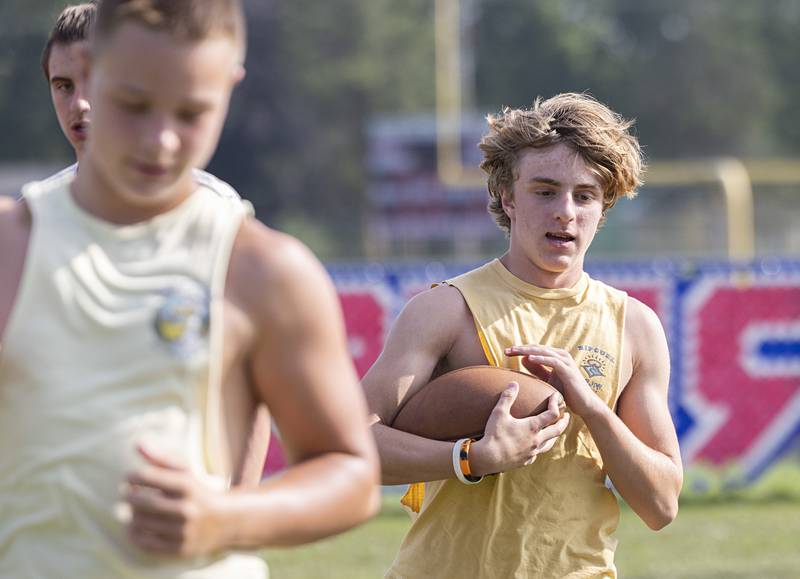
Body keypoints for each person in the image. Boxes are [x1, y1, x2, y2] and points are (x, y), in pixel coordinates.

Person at [0, 0, 380, 577]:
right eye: (134, 105)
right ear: (90, 71)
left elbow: (351, 474)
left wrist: (224, 518)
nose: (160, 140)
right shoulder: (13, 245)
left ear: (229, 86)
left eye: (191, 112)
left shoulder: (265, 269)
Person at [363, 93, 683, 578]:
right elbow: (351, 446)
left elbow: (661, 505)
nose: (566, 212)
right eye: (545, 191)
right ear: (507, 196)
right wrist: (470, 458)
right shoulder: (445, 309)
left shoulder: (634, 325)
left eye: (585, 195)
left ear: (604, 205)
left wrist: (593, 409)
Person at [41, 0, 269, 488]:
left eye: (94, 80)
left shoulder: (221, 216)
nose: (80, 104)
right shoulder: (29, 224)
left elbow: (252, 386)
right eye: (63, 86)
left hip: (184, 504)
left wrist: (236, 511)